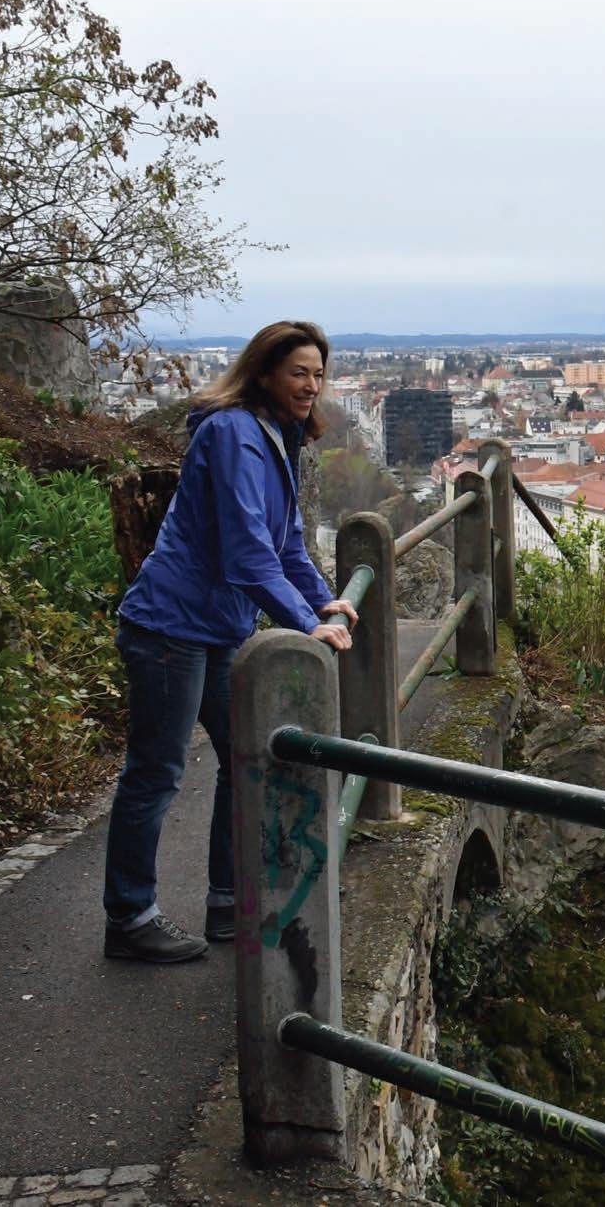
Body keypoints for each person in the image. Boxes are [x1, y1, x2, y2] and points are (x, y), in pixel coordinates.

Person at [102, 320, 356, 963]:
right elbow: (247, 552)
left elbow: (285, 543)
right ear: (264, 373)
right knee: (157, 771)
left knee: (245, 757)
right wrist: (306, 623)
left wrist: (322, 598)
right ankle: (129, 917)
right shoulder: (233, 433)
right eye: (298, 372)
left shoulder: (278, 434)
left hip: (219, 627)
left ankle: (228, 900)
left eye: (318, 374)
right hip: (170, 625)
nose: (311, 385)